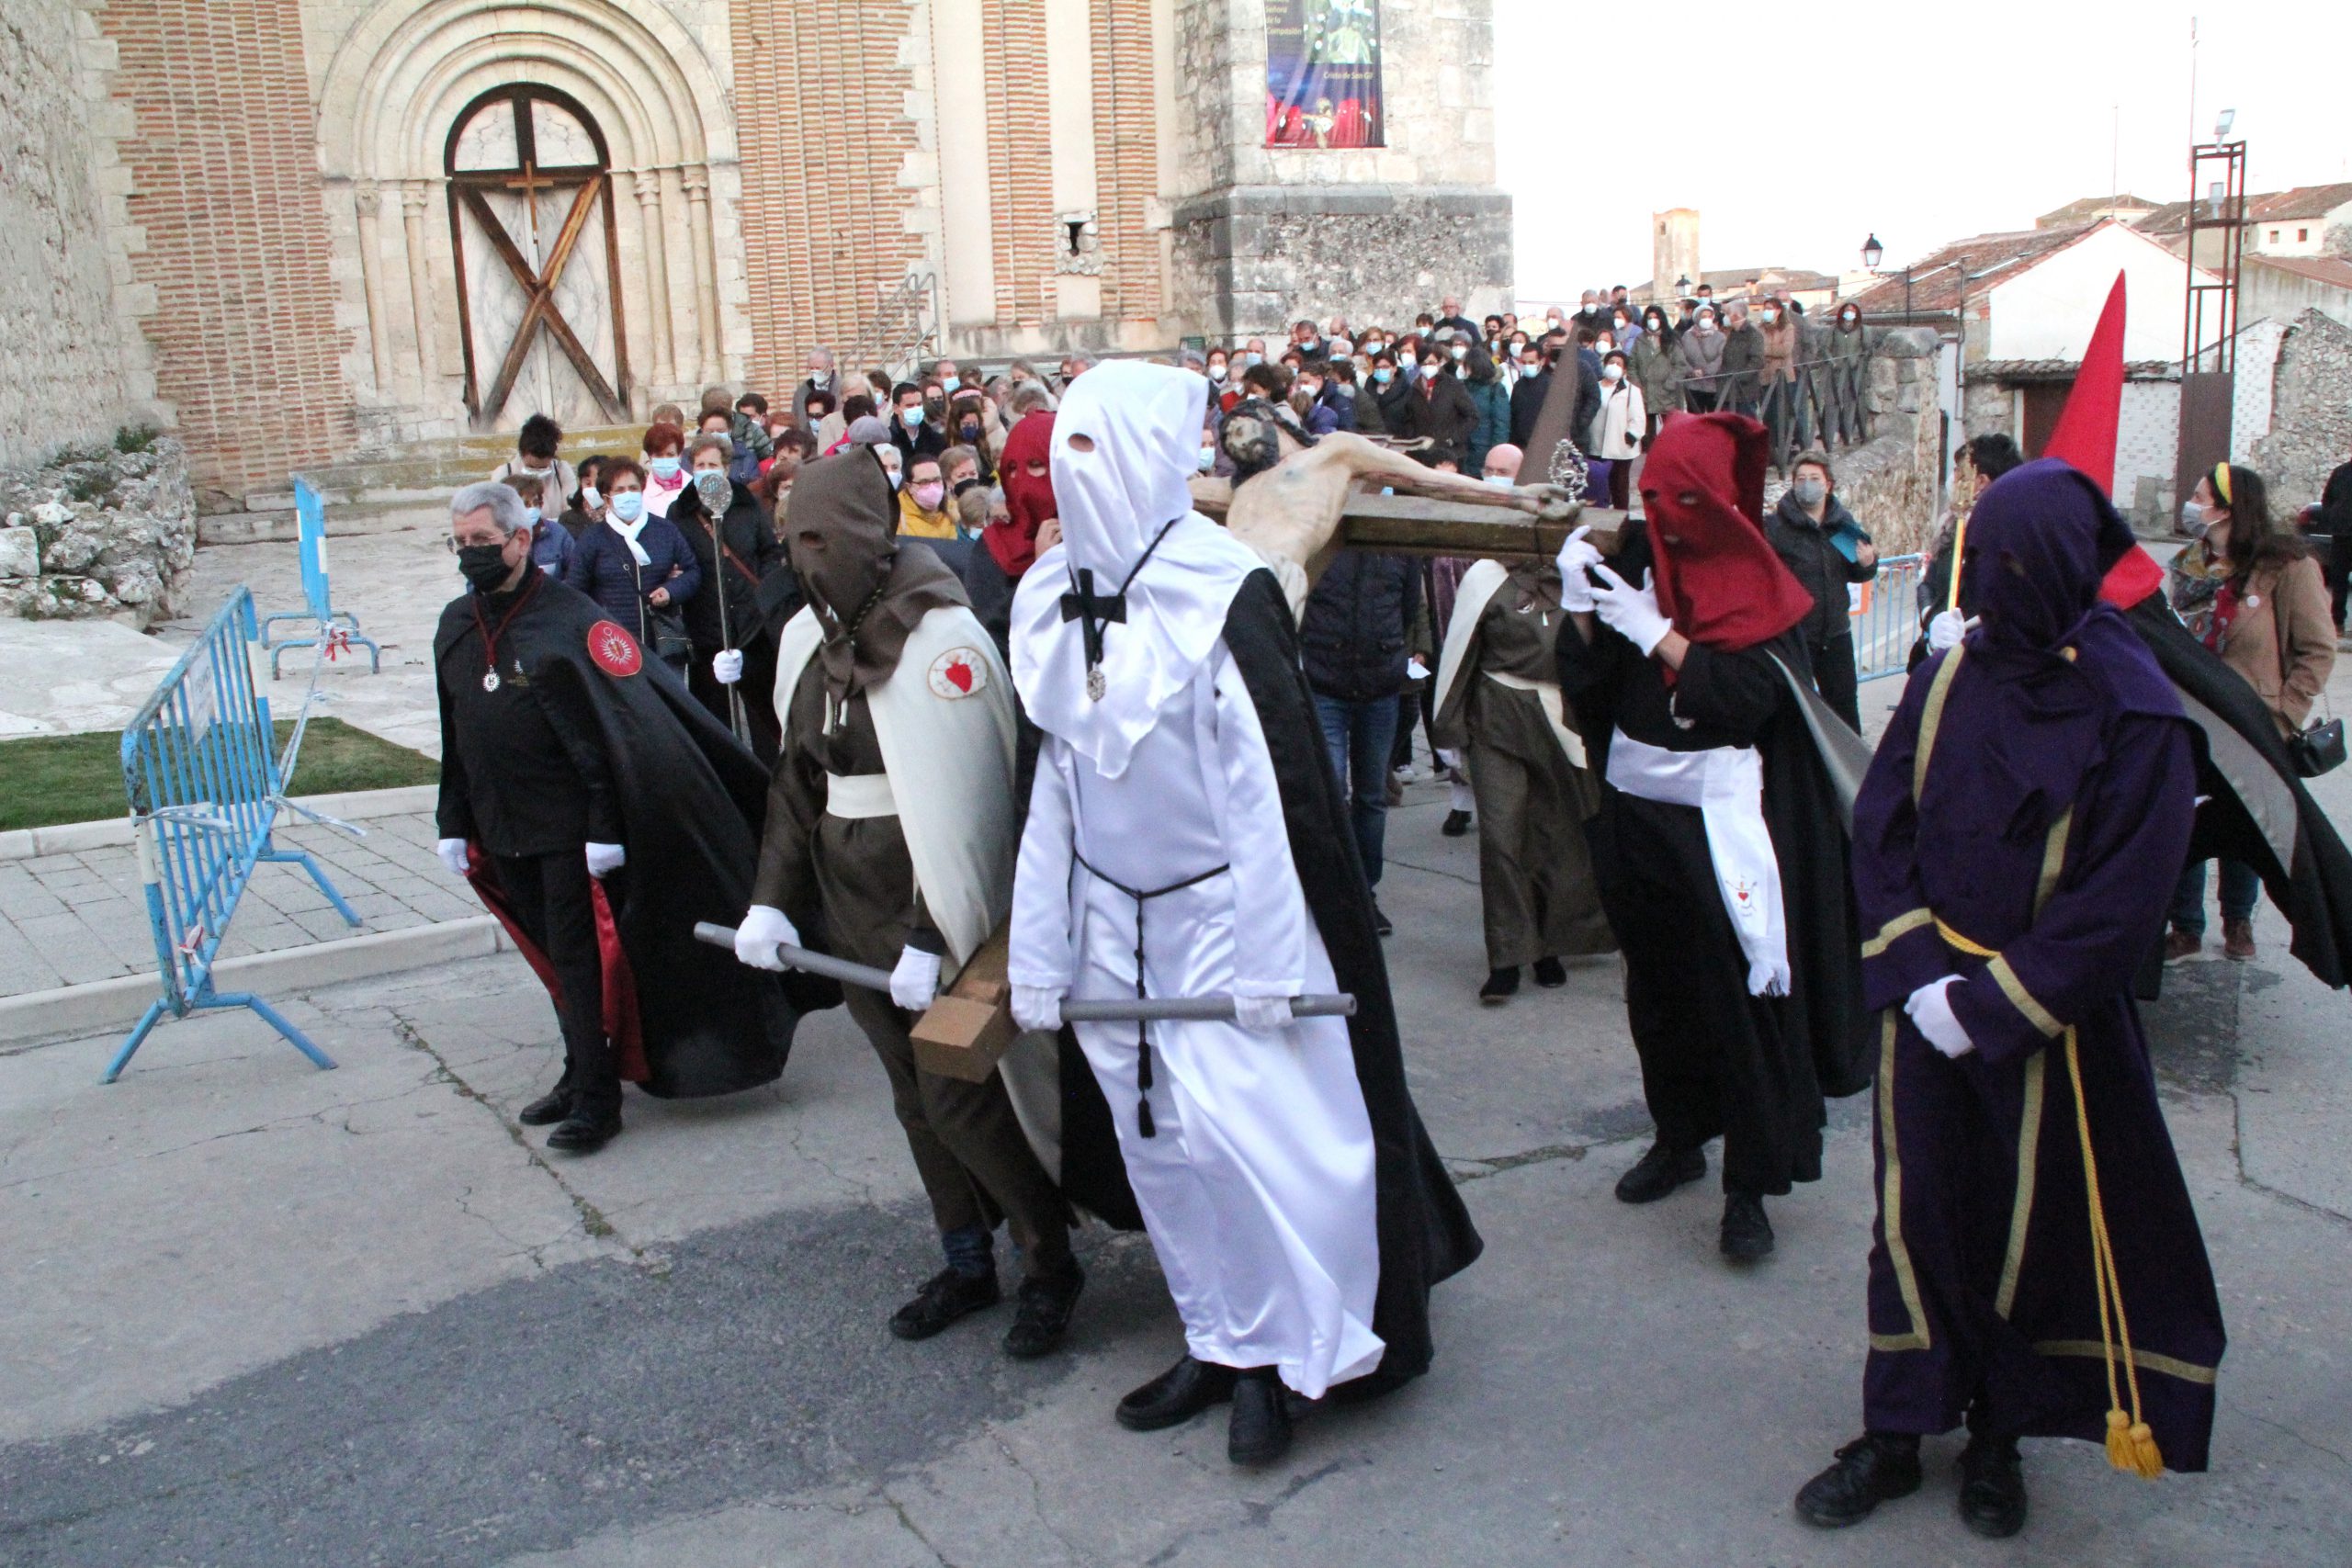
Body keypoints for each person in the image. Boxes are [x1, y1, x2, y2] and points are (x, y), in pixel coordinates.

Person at [1006, 361, 1482, 1466]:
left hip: (1222, 920)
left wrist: (1266, 961)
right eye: (1058, 453)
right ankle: (1216, 1336)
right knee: (1160, 1148)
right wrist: (1041, 949)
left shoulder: (1222, 588)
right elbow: (1052, 796)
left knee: (1244, 1144)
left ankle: (1284, 1355)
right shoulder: (1043, 598)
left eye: (1092, 451)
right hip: (1107, 931)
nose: (1073, 480)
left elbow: (1268, 798)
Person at [1798, 458, 2224, 1539]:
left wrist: (1990, 1004)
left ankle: (1997, 1435)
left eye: (2010, 568)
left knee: (2020, 1232)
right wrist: (1913, 968)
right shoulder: (1953, 673)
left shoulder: (2137, 715)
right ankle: (1895, 1428)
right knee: (1910, 1217)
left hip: (2042, 1030)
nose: (1986, 589)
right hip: (1923, 996)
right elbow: (1882, 818)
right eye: (1978, 560)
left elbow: (2120, 903)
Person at [732, 447, 1127, 1359]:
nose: (806, 557)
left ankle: (1047, 1259)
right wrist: (771, 903)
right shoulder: (807, 637)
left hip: (931, 911)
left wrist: (927, 933)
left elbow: (970, 805)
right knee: (912, 1099)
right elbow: (794, 785)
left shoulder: (940, 636)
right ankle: (965, 1257)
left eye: (822, 538)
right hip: (845, 903)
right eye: (796, 539)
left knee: (963, 1098)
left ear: (869, 535)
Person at [1554, 412, 1871, 1260]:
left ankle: (1750, 1186)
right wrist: (1584, 612)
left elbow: (1747, 697)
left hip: (1720, 820)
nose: (1665, 512)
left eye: (1682, 497)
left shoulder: (1762, 576)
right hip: (1635, 809)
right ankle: (1679, 1135)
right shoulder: (1632, 560)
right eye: (1655, 495)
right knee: (1657, 991)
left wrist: (1653, 631)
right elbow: (1589, 692)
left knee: (1739, 1000)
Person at [433, 481, 796, 1155]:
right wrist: (451, 818)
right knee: (548, 957)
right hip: (500, 825)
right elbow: (457, 730)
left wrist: (603, 827)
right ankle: (580, 1070)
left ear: (522, 539)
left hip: (568, 830)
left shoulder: (570, 619)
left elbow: (607, 733)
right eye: (460, 544)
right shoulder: (456, 625)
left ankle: (599, 1098)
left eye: (482, 542)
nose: (470, 555)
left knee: (579, 961)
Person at [1430, 503, 1616, 1003]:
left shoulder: (1582, 573)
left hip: (1560, 720)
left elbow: (1604, 654)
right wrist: (1449, 727)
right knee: (1501, 838)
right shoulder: (1486, 578)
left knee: (1555, 836)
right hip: (1498, 720)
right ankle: (1507, 956)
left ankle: (1548, 945)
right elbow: (1462, 649)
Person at [2165, 463, 2335, 963]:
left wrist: (2285, 713)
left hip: (2255, 724)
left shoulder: (2286, 566)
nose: (2192, 505)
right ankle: (2185, 925)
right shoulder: (2187, 566)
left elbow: (2318, 649)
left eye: (2199, 495)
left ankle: (2238, 920)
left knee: (2245, 824)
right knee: (2183, 820)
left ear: (2227, 507)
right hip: (2194, 721)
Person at [1301, 546, 1421, 938]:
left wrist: (1396, 655)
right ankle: (1334, 893)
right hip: (1325, 681)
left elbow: (1407, 610)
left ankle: (1364, 892)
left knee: (1371, 796)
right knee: (1331, 790)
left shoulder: (1396, 548)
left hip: (1379, 685)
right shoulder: (1321, 541)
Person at [675, 434, 789, 759]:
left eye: (713, 465)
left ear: (726, 469)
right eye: (700, 465)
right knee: (715, 722)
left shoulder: (745, 504)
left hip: (753, 626)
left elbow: (768, 551)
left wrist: (764, 587)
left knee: (764, 717)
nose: (707, 471)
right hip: (707, 627)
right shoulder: (681, 512)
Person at [1765, 451, 1878, 732]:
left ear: (1828, 484)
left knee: (1844, 712)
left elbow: (1858, 570)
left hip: (1836, 635)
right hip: (1794, 637)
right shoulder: (1776, 527)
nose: (1807, 484)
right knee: (1792, 713)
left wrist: (1868, 564)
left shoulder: (1840, 524)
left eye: (1814, 478)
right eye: (1801, 479)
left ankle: (1849, 772)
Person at [564, 457, 701, 675]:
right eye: (620, 490)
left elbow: (692, 572)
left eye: (633, 488)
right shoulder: (593, 539)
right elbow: (575, 589)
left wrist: (671, 591)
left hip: (662, 643)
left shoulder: (665, 530)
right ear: (607, 498)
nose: (627, 494)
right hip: (615, 646)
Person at [490, 413, 575, 521]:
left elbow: (570, 512)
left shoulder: (562, 471)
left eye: (543, 467)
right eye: (531, 467)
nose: (537, 472)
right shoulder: (504, 474)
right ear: (522, 453)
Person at [1591, 351, 1647, 511]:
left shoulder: (1631, 391)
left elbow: (1638, 418)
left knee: (1619, 485)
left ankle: (1621, 517)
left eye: (1619, 364)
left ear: (1624, 370)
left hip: (1620, 447)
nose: (1614, 366)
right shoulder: (1595, 387)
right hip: (1595, 444)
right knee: (1598, 484)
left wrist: (1632, 436)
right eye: (1611, 362)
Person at [499, 472, 575, 580]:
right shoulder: (495, 538)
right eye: (525, 504)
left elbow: (576, 574)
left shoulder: (558, 533)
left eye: (536, 503)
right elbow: (477, 585)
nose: (533, 508)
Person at [1757, 297, 1802, 455]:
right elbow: (1757, 349)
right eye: (1765, 308)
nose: (1767, 311)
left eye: (1770, 308)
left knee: (1783, 414)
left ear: (1778, 310)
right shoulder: (1760, 328)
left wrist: (1767, 350)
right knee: (1767, 415)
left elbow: (1785, 350)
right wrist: (1772, 349)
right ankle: (1771, 451)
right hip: (1765, 376)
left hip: (1783, 376)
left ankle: (1786, 448)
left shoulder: (1788, 327)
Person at [1631, 308, 1684, 440]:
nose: (1652, 321)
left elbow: (1680, 365)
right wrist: (1637, 385)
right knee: (1647, 435)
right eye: (1649, 318)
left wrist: (1669, 385)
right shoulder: (1640, 339)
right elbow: (1632, 364)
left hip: (1667, 394)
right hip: (1645, 392)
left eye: (1655, 317)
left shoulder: (1671, 338)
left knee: (1671, 432)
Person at [1462, 344, 1511, 478]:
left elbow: (1501, 425)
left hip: (1484, 450)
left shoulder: (1495, 389)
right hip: (1463, 449)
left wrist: (1497, 455)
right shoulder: (1461, 387)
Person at [1825, 302, 1870, 445]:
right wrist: (1833, 362)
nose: (1849, 313)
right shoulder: (1834, 329)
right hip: (1837, 372)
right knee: (1834, 402)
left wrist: (1857, 361)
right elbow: (1825, 348)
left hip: (1854, 372)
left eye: (1852, 311)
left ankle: (1849, 432)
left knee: (1851, 402)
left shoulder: (1862, 330)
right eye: (1847, 310)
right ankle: (1834, 431)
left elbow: (1867, 350)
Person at [1718, 301, 1767, 419]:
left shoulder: (1753, 333)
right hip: (1728, 389)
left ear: (1735, 316)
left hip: (1745, 390)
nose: (1724, 317)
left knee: (1746, 425)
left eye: (1726, 313)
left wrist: (1740, 378)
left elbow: (1757, 360)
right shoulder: (1733, 333)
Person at [895, 453, 956, 539]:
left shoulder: (956, 512)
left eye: (936, 480)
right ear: (909, 487)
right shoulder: (898, 520)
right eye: (924, 482)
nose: (932, 487)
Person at [1679, 306, 1726, 413]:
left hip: (1713, 385)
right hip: (1693, 386)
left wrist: (1705, 371)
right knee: (1695, 420)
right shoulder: (1687, 336)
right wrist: (1691, 371)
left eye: (1709, 316)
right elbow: (1681, 357)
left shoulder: (1720, 337)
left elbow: (1721, 358)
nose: (1707, 319)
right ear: (1697, 318)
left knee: (1714, 421)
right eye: (1703, 316)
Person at [641, 422, 690, 517]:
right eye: (659, 455)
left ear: (679, 455)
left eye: (670, 454)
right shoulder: (641, 493)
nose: (665, 459)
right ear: (650, 457)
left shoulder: (694, 486)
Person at [557, 455, 607, 539]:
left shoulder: (621, 516)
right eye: (588, 483)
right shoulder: (568, 519)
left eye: (599, 483)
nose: (593, 488)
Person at [793, 348, 840, 433]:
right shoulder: (801, 391)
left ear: (831, 366)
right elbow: (796, 419)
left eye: (818, 368)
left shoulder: (842, 388)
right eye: (811, 368)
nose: (815, 372)